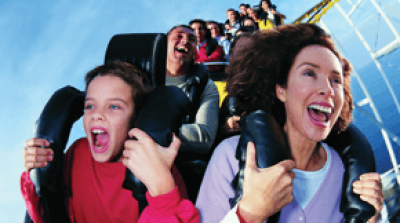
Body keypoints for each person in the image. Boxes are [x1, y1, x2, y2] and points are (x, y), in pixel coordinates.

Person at [196, 24, 384, 223]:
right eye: (310, 73)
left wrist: (371, 220)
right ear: (281, 90)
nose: (327, 89)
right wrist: (249, 213)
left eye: (335, 80)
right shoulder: (229, 158)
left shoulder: (348, 175)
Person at [21, 61, 200, 223]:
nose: (97, 115)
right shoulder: (77, 152)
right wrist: (37, 174)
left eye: (114, 106)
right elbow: (51, 214)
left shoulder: (162, 168)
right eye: (90, 106)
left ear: (136, 118)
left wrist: (162, 193)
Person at [165, 24, 220, 201]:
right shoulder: (142, 78)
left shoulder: (206, 86)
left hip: (182, 168)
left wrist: (157, 133)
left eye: (192, 40)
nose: (185, 41)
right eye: (179, 36)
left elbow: (203, 136)